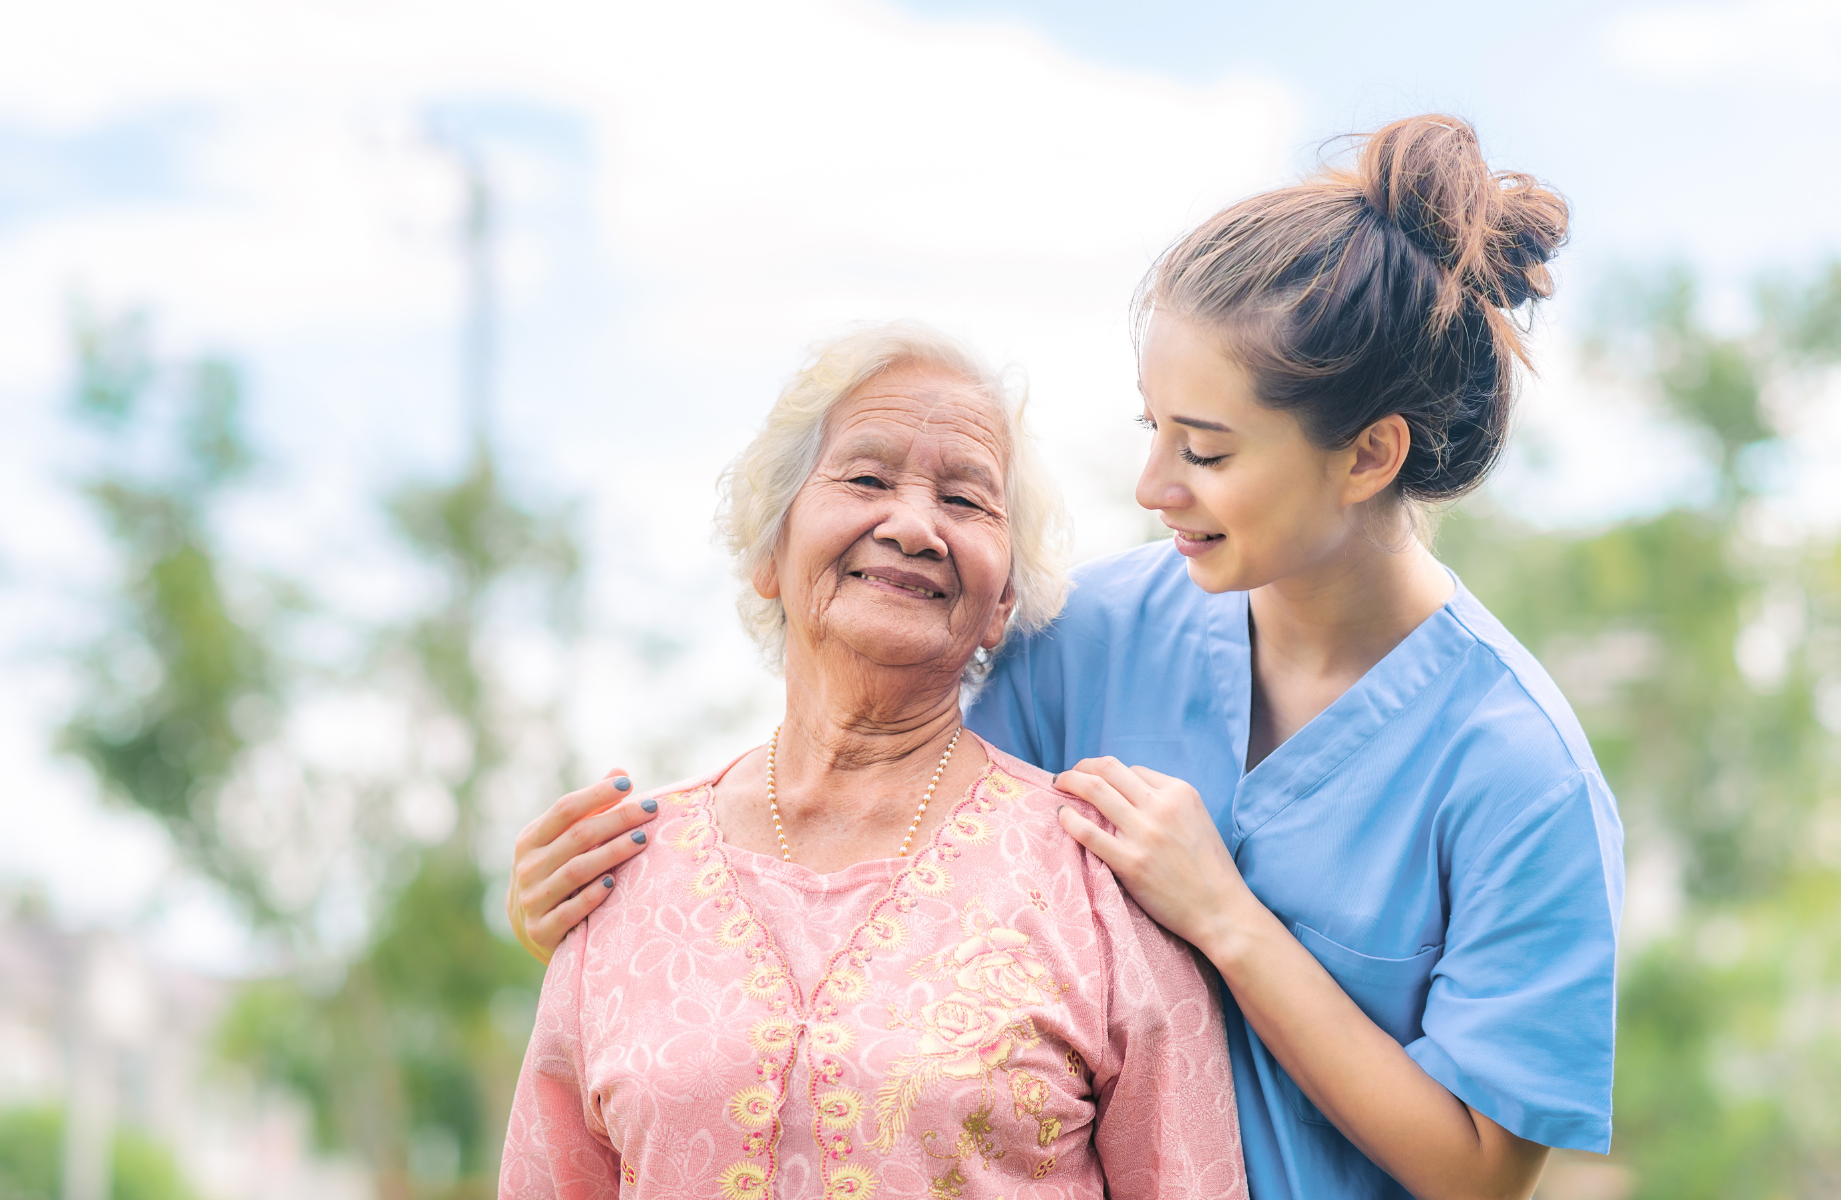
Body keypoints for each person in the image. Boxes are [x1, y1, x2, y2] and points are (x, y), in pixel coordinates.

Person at [510, 114, 1622, 1200]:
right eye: (1151, 430)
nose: (1153, 488)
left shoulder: (1518, 773)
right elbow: (886, 869)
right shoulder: (1083, 638)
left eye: (1206, 450)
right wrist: (619, 919)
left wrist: (1227, 920)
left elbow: (1478, 1174)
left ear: (1368, 455)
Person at [498, 323, 1247, 1200]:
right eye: (865, 478)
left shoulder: (1101, 881)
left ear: (1003, 600)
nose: (914, 525)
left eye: (967, 501)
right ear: (769, 551)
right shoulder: (620, 872)